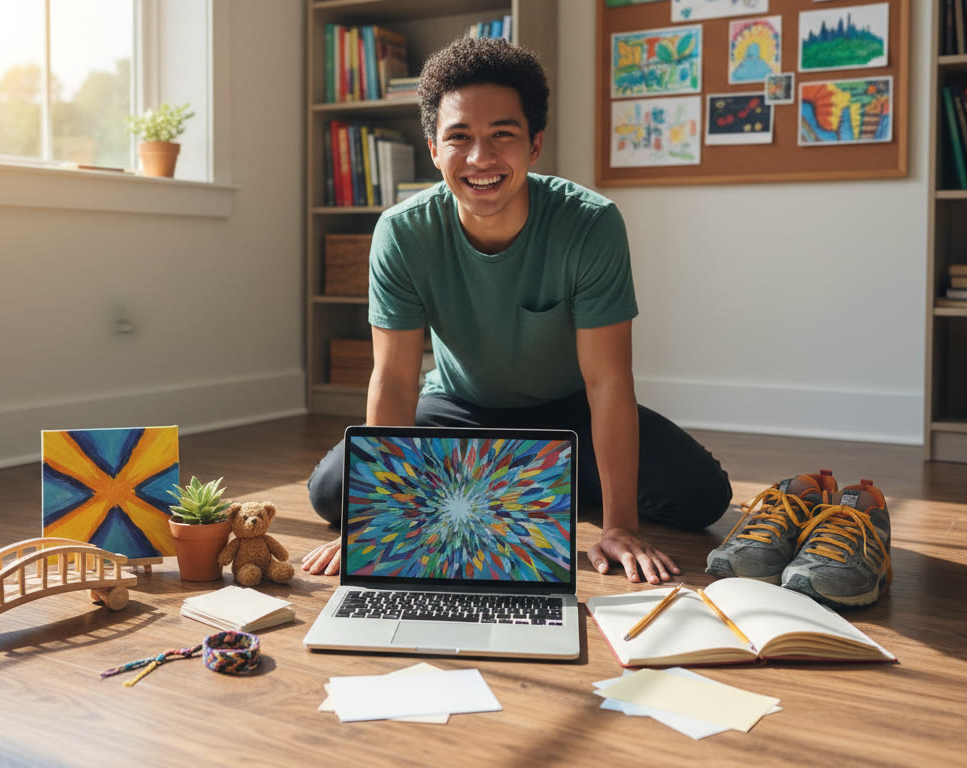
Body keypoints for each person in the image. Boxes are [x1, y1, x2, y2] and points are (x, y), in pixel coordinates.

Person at [301, 36, 731, 584]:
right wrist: (379, 518)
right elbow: (395, 380)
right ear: (433, 149)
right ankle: (544, 483)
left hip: (570, 410)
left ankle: (529, 480)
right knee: (332, 492)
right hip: (458, 406)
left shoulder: (591, 224)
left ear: (534, 145)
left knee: (702, 495)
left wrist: (620, 525)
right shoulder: (402, 232)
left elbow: (607, 382)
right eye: (459, 137)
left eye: (502, 134)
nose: (480, 158)